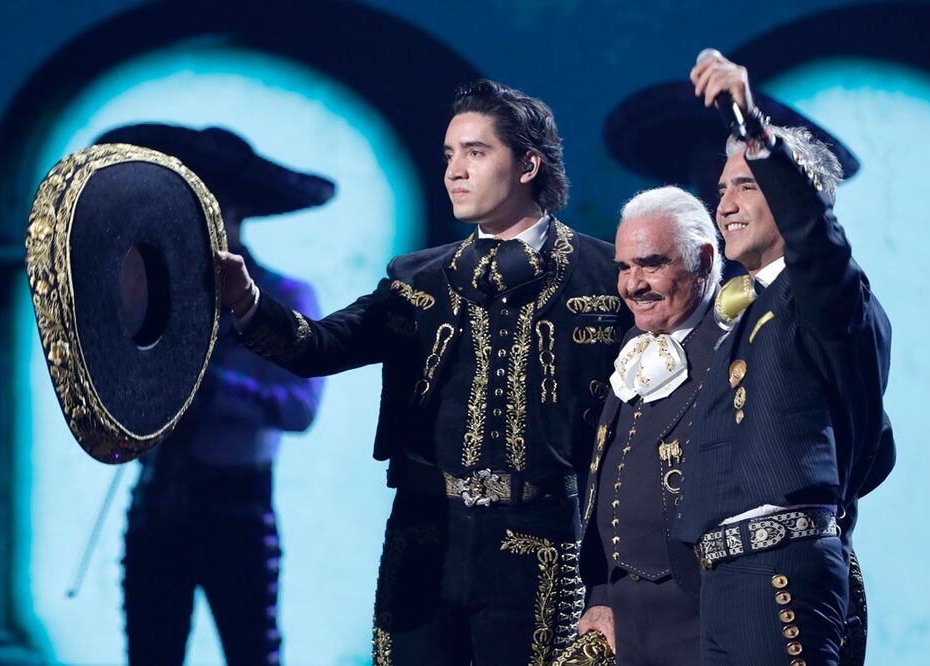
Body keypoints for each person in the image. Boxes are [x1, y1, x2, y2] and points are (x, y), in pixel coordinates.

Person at [217, 80, 630, 664]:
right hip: (425, 537)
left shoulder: (606, 275)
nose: (455, 171)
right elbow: (321, 344)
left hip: (539, 546)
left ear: (528, 164)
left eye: (475, 152)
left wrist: (613, 585)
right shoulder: (419, 279)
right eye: (448, 155)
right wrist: (247, 302)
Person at [673, 53, 895, 666]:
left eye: (747, 185)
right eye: (721, 191)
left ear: (800, 196)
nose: (725, 206)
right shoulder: (740, 312)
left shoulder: (824, 291)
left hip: (779, 574)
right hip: (724, 584)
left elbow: (817, 242)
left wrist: (753, 130)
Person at [99, 124, 331, 666]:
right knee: (150, 652)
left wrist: (211, 386)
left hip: (237, 505)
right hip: (158, 497)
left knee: (252, 652)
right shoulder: (153, 298)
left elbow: (300, 409)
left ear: (240, 207)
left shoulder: (287, 298)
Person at [575, 186, 723, 665]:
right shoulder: (631, 344)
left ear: (702, 259)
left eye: (652, 263)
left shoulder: (741, 346)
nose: (632, 284)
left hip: (705, 615)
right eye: (623, 267)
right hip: (626, 617)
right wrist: (600, 591)